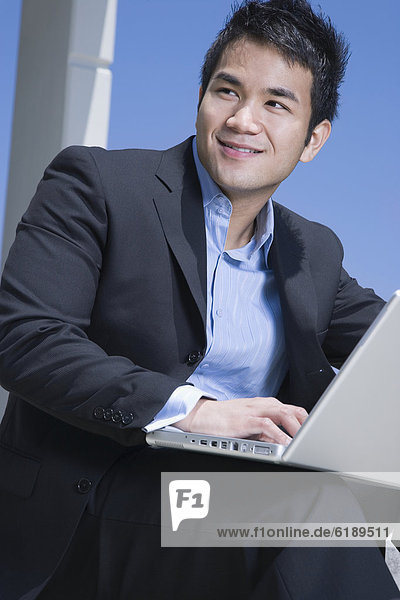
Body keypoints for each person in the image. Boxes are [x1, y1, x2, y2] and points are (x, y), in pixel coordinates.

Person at [0, 0, 398, 598]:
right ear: (202, 97)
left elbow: (386, 345)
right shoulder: (97, 186)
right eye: (227, 90)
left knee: (364, 508)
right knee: (314, 514)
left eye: (276, 103)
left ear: (314, 139)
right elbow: (25, 339)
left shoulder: (311, 251)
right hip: (99, 494)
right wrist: (196, 410)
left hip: (228, 504)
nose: (243, 120)